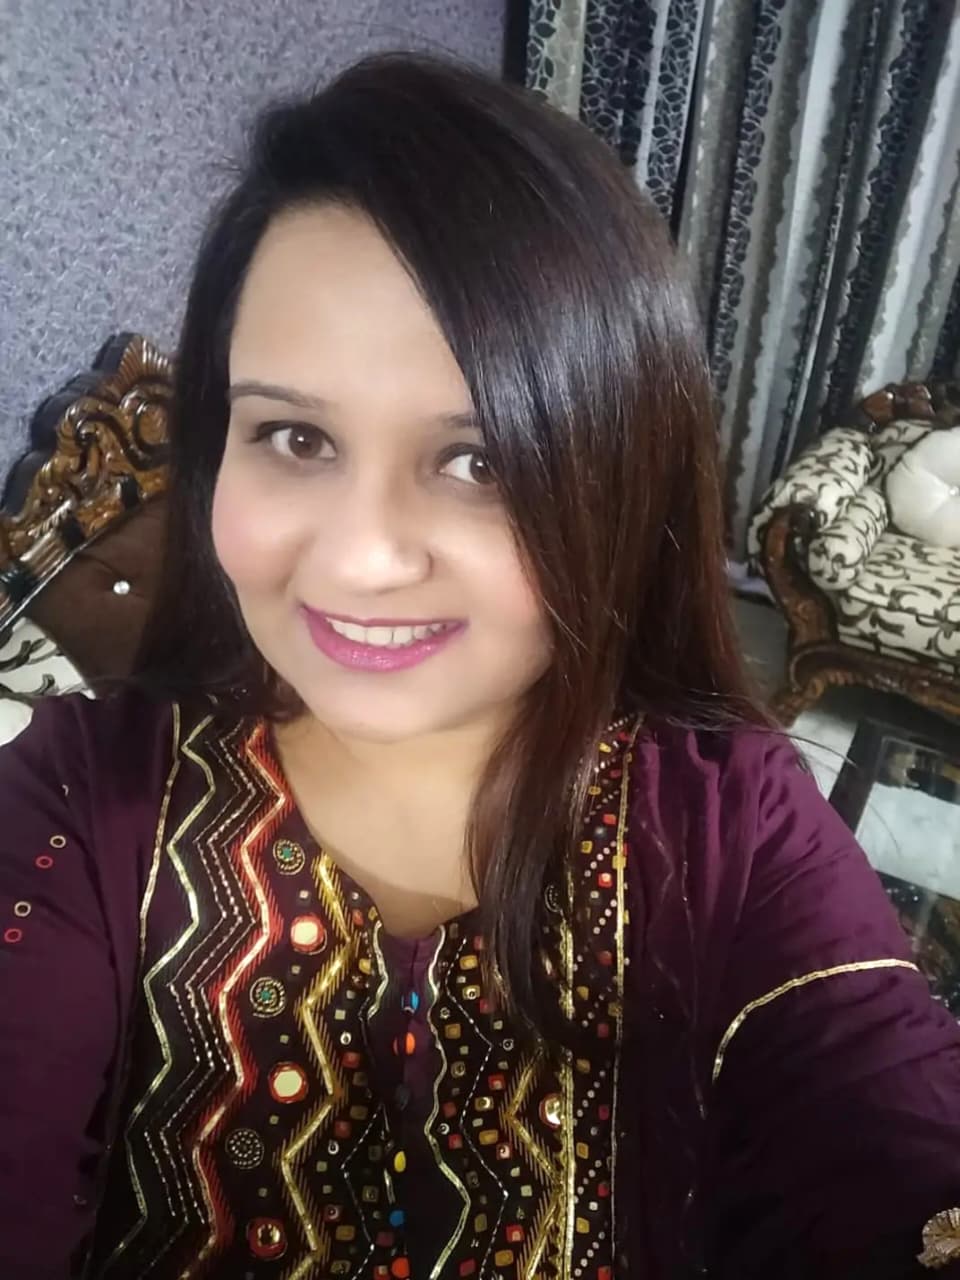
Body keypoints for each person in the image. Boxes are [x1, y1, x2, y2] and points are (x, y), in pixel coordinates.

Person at [0, 52, 958, 1280]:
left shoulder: (731, 824)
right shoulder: (81, 805)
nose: (359, 559)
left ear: (619, 486)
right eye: (294, 436)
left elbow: (888, 1133)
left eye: (481, 459)